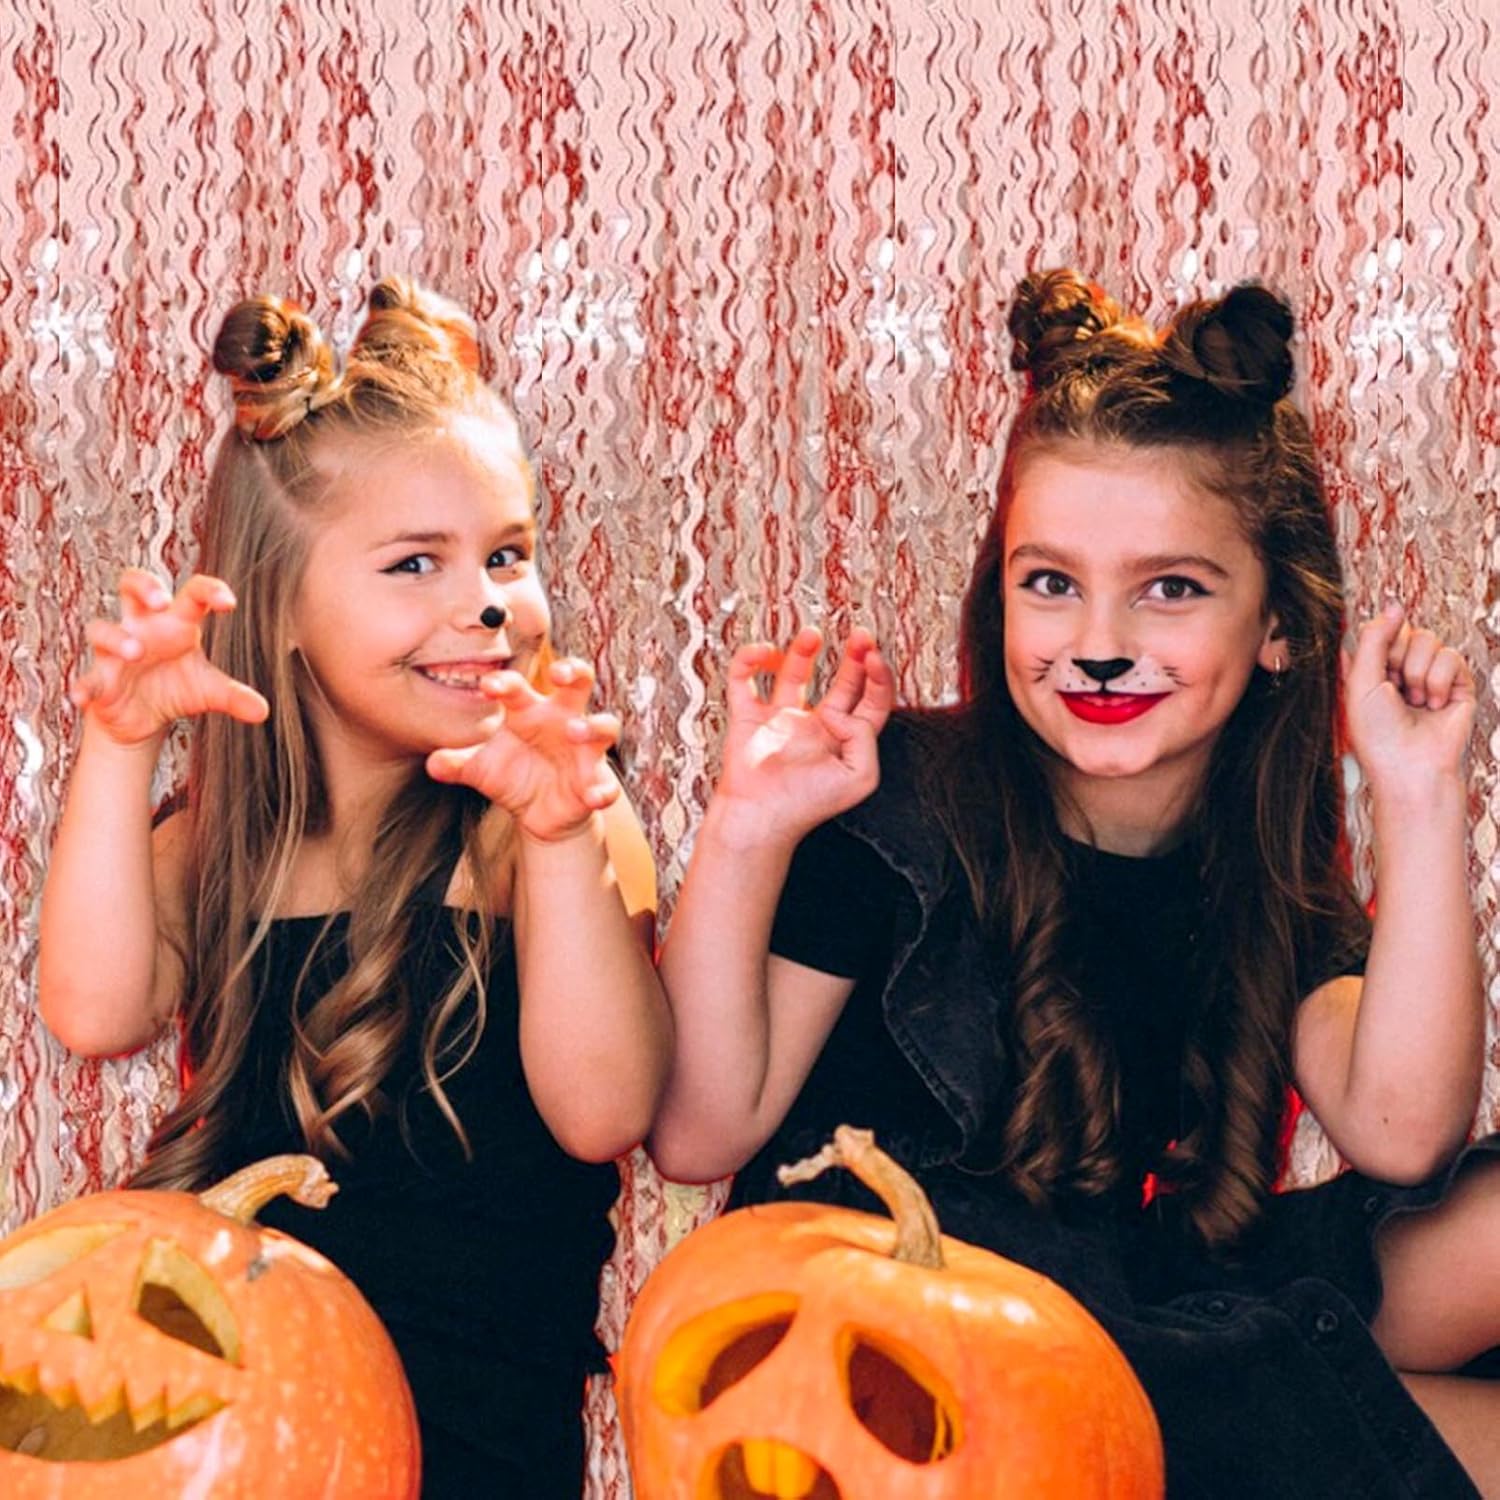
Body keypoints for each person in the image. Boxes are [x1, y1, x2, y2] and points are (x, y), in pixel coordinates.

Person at [650, 270, 1499, 1497]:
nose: (1100, 644)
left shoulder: (1258, 859)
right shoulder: (894, 801)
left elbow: (1404, 1131)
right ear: (999, 593)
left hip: (1152, 1304)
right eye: (1051, 583)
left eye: (1171, 589)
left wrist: (1419, 798)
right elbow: (697, 1132)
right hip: (927, 1353)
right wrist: (745, 834)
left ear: (1279, 626)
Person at [38, 278, 671, 1497]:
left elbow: (606, 1113)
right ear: (278, 607)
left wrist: (560, 838)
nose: (484, 602)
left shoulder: (543, 831)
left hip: (475, 1453)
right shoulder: (214, 845)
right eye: (415, 563)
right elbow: (94, 1010)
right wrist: (118, 747)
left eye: (507, 555)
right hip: (236, 1445)